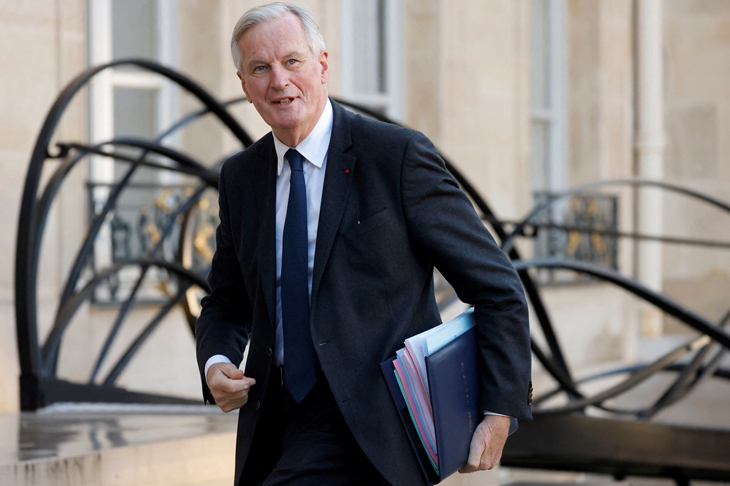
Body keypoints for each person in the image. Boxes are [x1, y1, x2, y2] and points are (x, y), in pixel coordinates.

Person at [195, 3, 532, 485]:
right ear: (244, 86)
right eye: (260, 68)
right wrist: (216, 363)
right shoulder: (240, 177)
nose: (279, 81)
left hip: (376, 424)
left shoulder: (396, 156)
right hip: (273, 420)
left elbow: (497, 287)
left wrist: (500, 411)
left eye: (292, 61)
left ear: (322, 65)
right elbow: (227, 301)